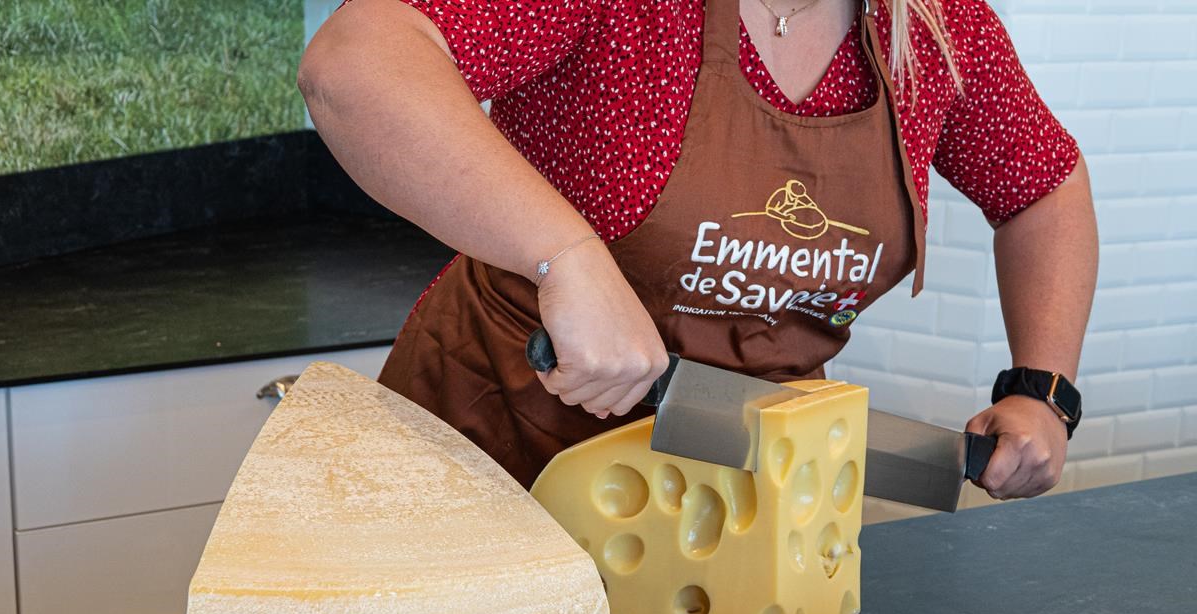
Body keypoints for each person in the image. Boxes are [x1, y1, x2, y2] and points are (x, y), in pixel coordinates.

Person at [298, 0, 1097, 498]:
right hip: (500, 439)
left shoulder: (929, 24)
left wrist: (1043, 388)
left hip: (743, 490)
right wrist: (564, 257)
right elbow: (355, 62)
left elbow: (1042, 186)